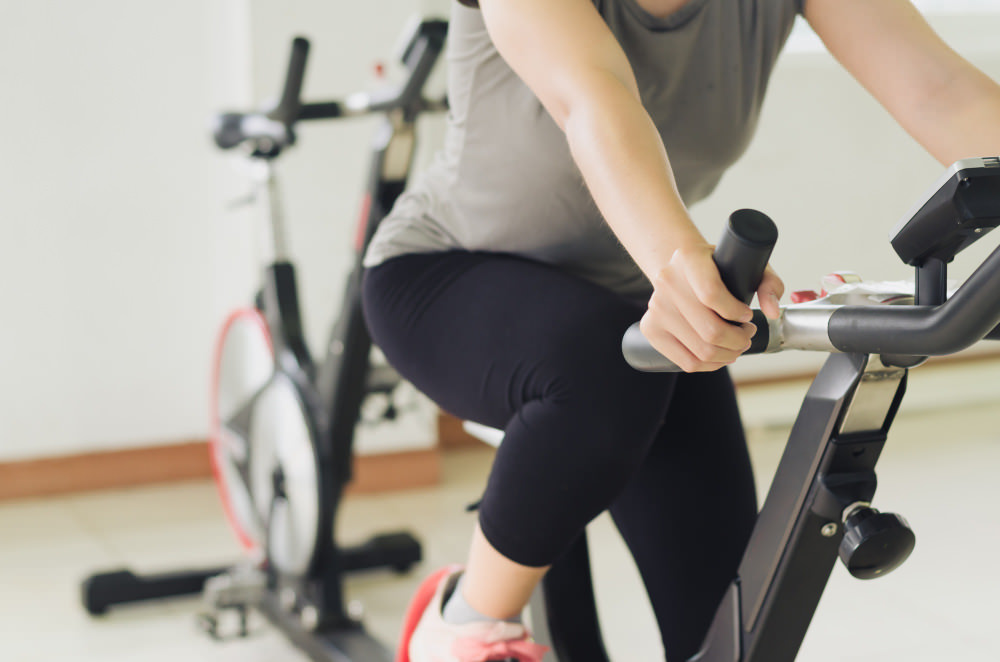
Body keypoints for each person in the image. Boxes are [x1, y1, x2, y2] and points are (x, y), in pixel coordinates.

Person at [361, 0, 1000, 660]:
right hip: (446, 274)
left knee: (730, 624)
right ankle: (463, 620)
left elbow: (941, 90)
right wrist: (677, 260)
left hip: (631, 307)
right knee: (598, 372)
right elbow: (593, 99)